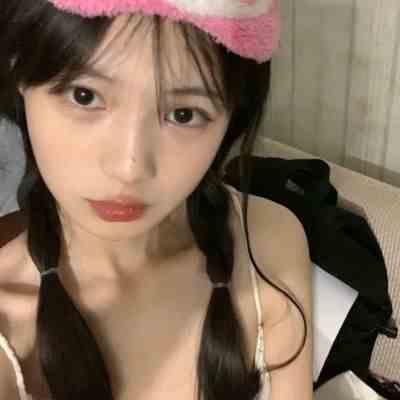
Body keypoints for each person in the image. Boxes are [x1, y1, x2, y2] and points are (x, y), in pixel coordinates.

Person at [0, 1, 313, 399]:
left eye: (184, 114)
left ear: (232, 117)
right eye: (85, 95)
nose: (130, 167)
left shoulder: (268, 243)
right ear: (18, 72)